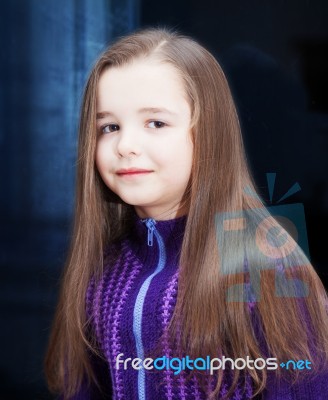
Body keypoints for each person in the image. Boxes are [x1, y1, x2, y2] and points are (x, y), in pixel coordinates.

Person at [44, 28, 328, 400]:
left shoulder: (265, 263)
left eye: (156, 123)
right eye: (109, 127)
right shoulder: (104, 266)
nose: (126, 145)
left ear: (207, 132)